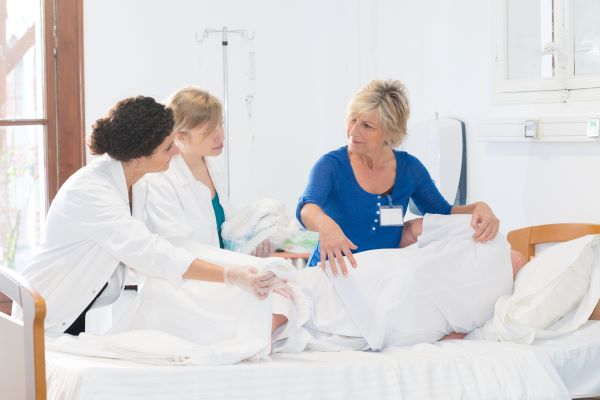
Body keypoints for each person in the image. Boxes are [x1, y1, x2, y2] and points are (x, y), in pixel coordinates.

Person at [16, 96, 289, 335]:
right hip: (49, 308)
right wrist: (231, 275)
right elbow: (149, 251)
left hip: (78, 305)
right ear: (139, 155)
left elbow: (170, 246)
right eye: (168, 147)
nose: (176, 151)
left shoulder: (138, 183)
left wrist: (240, 266)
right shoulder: (92, 192)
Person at [297, 79, 500, 276]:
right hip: (331, 275)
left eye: (367, 125)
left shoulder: (409, 169)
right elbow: (307, 207)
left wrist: (478, 207)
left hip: (377, 279)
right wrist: (325, 225)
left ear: (389, 132)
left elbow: (443, 213)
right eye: (353, 119)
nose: (353, 130)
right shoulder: (331, 165)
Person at [270, 214, 531, 352]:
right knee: (314, 311)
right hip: (392, 315)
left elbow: (415, 230)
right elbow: (455, 338)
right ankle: (268, 324)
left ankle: (265, 322)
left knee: (307, 294)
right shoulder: (499, 305)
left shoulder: (489, 237)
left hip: (385, 284)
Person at [137, 86, 273, 257]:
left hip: (221, 275)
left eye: (220, 125)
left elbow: (222, 238)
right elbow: (178, 253)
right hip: (187, 281)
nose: (220, 136)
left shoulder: (213, 166)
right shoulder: (160, 180)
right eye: (208, 131)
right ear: (179, 136)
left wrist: (249, 246)